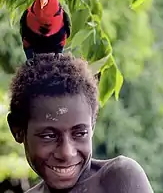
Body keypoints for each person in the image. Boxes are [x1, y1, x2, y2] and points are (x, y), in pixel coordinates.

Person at [7, 53, 154, 193]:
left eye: (80, 133)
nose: (66, 153)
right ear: (18, 130)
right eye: (49, 136)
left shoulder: (119, 179)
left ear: (93, 126)